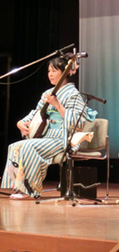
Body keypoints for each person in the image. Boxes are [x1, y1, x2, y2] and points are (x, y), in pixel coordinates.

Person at [0, 53, 97, 199]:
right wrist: (20, 123)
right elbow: (36, 113)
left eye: (54, 71)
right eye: (49, 71)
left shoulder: (73, 94)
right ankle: (18, 187)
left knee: (28, 147)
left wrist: (57, 105)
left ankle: (30, 189)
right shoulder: (47, 93)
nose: (50, 74)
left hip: (63, 138)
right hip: (46, 137)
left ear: (64, 72)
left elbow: (79, 122)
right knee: (14, 146)